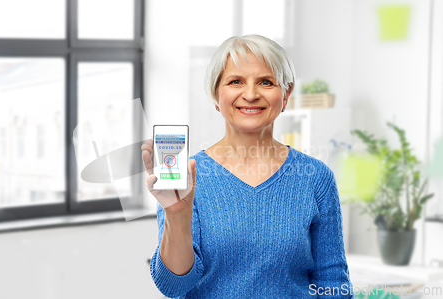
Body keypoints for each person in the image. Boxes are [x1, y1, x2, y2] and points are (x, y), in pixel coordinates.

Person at [141, 34, 353, 298]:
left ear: (285, 94)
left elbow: (333, 283)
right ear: (216, 94)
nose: (251, 94)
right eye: (235, 81)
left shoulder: (316, 178)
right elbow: (174, 287)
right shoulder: (187, 176)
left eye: (266, 82)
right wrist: (176, 215)